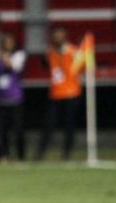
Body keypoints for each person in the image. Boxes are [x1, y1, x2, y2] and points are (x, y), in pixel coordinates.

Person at [37, 27, 83, 160]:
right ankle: (41, 152)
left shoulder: (73, 51)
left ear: (65, 37)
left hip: (71, 93)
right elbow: (45, 66)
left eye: (60, 35)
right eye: (55, 36)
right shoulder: (50, 52)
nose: (58, 38)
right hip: (56, 94)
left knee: (69, 125)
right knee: (48, 124)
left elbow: (81, 67)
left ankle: (66, 153)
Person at [0, 34, 27, 161]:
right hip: (1, 99)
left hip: (15, 98)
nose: (7, 45)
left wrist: (1, 54)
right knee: (2, 131)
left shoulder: (19, 55)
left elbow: (10, 65)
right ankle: (4, 155)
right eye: (5, 42)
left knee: (18, 130)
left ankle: (20, 155)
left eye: (10, 42)